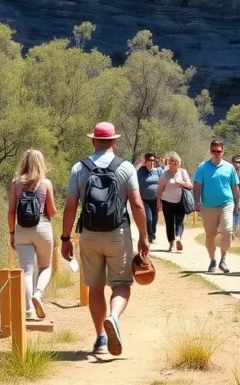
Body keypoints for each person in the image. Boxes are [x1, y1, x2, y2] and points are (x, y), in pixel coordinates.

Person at [60, 122, 150, 356]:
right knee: (121, 284)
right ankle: (114, 317)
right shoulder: (126, 167)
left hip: (89, 234)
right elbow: (138, 205)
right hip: (117, 234)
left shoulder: (79, 169)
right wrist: (144, 236)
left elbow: (70, 207)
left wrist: (65, 237)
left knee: (95, 287)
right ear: (114, 141)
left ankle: (101, 339)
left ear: (93, 141)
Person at [7, 149, 56, 320]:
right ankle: (38, 294)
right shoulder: (46, 184)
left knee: (26, 272)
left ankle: (28, 311)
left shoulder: (15, 184)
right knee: (46, 267)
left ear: (24, 162)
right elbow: (52, 211)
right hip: (42, 227)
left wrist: (12, 233)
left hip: (21, 229)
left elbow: (11, 212)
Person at [193, 140, 240, 273]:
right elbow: (197, 186)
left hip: (226, 203)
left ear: (222, 152)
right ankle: (213, 260)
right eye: (214, 151)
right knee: (211, 235)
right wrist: (196, 201)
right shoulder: (203, 167)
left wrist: (238, 202)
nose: (216, 153)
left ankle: (223, 260)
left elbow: (235, 186)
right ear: (210, 151)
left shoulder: (229, 167)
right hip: (208, 206)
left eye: (218, 151)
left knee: (227, 230)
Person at [158, 152, 192, 252]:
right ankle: (171, 243)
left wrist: (182, 183)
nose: (173, 164)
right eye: (171, 162)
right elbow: (160, 188)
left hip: (180, 201)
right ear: (169, 163)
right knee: (169, 223)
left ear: (179, 163)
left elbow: (190, 186)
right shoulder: (165, 174)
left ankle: (178, 238)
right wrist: (158, 201)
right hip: (167, 201)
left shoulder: (183, 172)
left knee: (179, 221)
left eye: (176, 162)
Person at [136, 152, 163, 244]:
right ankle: (149, 236)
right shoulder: (141, 172)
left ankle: (152, 234)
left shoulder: (159, 171)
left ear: (155, 161)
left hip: (156, 200)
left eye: (152, 160)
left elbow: (164, 182)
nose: (151, 162)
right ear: (145, 161)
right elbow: (135, 183)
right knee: (149, 218)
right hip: (144, 200)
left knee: (154, 220)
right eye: (149, 160)